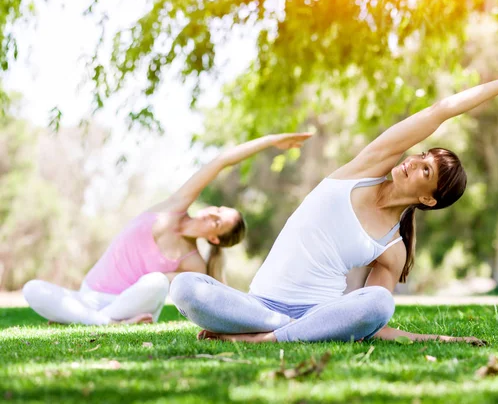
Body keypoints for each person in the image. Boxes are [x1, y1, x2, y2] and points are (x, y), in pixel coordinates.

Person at [170, 74, 498, 344]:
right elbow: (441, 111)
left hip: (318, 312)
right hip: (258, 306)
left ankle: (269, 339)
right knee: (186, 289)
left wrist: (437, 339)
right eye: (421, 155)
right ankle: (286, 330)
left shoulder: (393, 247)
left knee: (381, 301)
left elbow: (371, 320)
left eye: (424, 169)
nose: (412, 161)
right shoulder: (364, 169)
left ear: (428, 199)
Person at [22, 133, 312, 326]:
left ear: (214, 237)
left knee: (159, 283)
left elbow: (219, 303)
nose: (213, 212)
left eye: (219, 221)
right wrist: (272, 141)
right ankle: (101, 323)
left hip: (130, 306)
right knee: (32, 289)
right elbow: (222, 161)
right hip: (88, 295)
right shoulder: (173, 207)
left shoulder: (193, 263)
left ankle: (90, 320)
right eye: (220, 209)